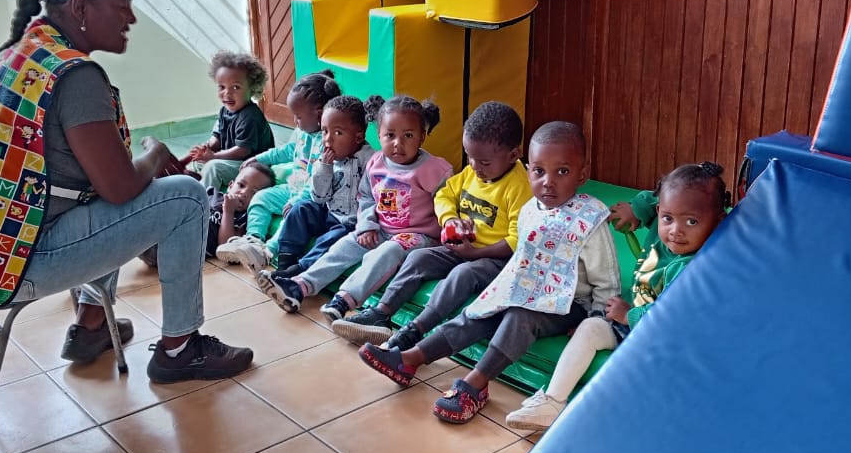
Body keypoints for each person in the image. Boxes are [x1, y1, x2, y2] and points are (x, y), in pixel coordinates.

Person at [0, 0, 252, 384]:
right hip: (21, 262)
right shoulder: (76, 76)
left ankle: (92, 323)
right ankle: (180, 349)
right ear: (80, 6)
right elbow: (119, 188)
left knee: (105, 182)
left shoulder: (24, 53)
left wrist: (139, 163)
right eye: (122, 5)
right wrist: (155, 153)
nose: (131, 18)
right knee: (187, 196)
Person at [357, 121, 620, 423]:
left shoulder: (590, 219)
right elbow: (524, 257)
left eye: (562, 172)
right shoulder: (530, 210)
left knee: (519, 317)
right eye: (538, 171)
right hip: (529, 288)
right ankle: (410, 359)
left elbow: (607, 282)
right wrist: (501, 292)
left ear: (582, 175)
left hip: (569, 305)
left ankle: (475, 385)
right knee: (482, 309)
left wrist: (594, 318)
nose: (548, 182)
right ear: (528, 170)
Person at [505, 161, 727, 432]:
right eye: (668, 218)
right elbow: (652, 198)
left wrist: (627, 314)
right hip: (634, 325)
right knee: (590, 328)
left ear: (718, 222)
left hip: (663, 338)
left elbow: (669, 321)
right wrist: (636, 210)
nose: (675, 230)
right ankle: (551, 402)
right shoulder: (665, 224)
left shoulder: (695, 267)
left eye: (691, 221)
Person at [331, 100, 531, 347]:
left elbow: (516, 241)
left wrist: (475, 253)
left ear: (513, 155)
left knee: (462, 274)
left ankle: (416, 329)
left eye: (484, 162)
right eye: (470, 157)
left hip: (495, 259)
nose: (475, 167)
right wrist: (450, 219)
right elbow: (445, 194)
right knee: (418, 258)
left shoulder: (520, 188)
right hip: (462, 248)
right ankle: (381, 314)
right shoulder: (473, 171)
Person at [259, 94, 453, 320]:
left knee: (386, 252)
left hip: (417, 235)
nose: (397, 143)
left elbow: (447, 202)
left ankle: (344, 300)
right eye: (390, 135)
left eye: (408, 135)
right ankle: (299, 286)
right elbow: (366, 196)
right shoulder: (376, 162)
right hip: (381, 228)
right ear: (379, 135)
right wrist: (367, 225)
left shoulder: (435, 169)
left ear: (422, 137)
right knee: (344, 247)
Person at [214, 69, 341, 269]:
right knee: (261, 197)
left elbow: (317, 183)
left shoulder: (328, 141)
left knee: (291, 214)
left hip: (313, 198)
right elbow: (287, 150)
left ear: (319, 114)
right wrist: (259, 158)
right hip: (294, 188)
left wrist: (295, 201)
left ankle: (267, 251)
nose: (295, 122)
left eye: (298, 117)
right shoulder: (302, 132)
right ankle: (252, 240)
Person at [263, 94, 375, 277]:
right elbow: (319, 197)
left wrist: (367, 224)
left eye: (338, 133)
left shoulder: (371, 160)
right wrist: (324, 168)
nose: (328, 139)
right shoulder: (325, 159)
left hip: (350, 222)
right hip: (327, 211)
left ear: (358, 137)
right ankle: (285, 261)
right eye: (324, 131)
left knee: (332, 240)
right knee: (300, 209)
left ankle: (301, 269)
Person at [140, 157, 275, 265]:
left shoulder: (243, 218)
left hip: (176, 250)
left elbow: (225, 246)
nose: (244, 193)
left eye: (254, 192)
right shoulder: (212, 194)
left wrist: (228, 212)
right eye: (241, 185)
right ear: (230, 185)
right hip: (166, 230)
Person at [186, 51, 275, 191]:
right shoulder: (225, 110)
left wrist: (214, 156)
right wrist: (206, 149)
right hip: (235, 161)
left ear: (252, 89)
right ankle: (199, 182)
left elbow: (242, 150)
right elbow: (217, 137)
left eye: (236, 87)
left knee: (213, 167)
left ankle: (205, 199)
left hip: (252, 167)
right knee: (199, 162)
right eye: (222, 87)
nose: (227, 93)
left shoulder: (250, 116)